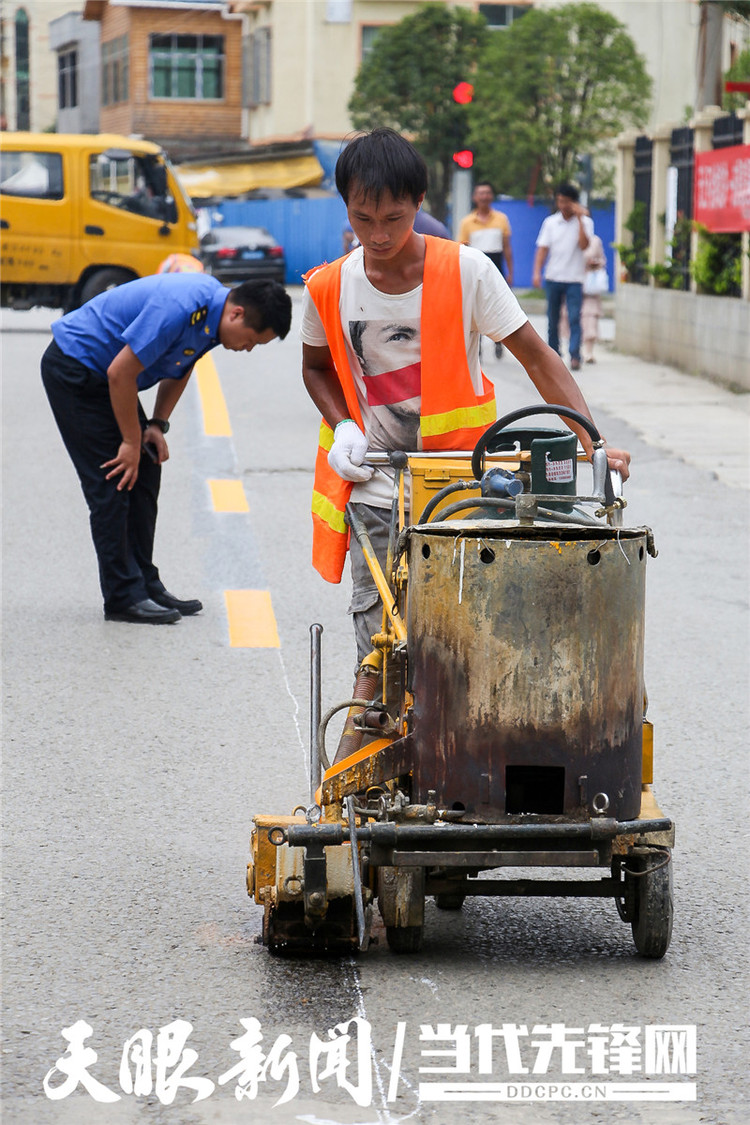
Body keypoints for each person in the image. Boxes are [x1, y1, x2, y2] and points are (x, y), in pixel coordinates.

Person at [300, 128, 630, 676]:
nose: (379, 235)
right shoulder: (328, 287)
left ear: (420, 204)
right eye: (363, 218)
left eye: (394, 218)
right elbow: (315, 369)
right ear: (346, 207)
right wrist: (343, 428)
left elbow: (537, 357)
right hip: (374, 486)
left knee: (462, 645)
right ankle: (381, 738)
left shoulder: (467, 271)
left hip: (462, 488)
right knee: (379, 644)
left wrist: (590, 443)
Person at [42, 274, 292, 623]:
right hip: (77, 368)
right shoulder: (181, 307)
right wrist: (130, 441)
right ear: (236, 314)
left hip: (107, 376)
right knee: (114, 478)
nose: (247, 349)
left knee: (146, 463)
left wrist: (157, 425)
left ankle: (144, 582)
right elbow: (120, 373)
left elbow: (183, 365)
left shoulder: (213, 318)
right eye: (251, 341)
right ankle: (122, 596)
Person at [532, 182, 593, 372]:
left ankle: (575, 355)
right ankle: (553, 354)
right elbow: (542, 249)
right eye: (560, 201)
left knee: (575, 317)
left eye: (566, 201)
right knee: (553, 318)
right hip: (554, 276)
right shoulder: (550, 222)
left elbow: (584, 245)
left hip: (575, 278)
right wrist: (536, 272)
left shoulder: (586, 223)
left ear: (574, 203)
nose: (563, 205)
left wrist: (581, 219)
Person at [459, 181, 513, 359]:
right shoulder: (467, 222)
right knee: (476, 308)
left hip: (496, 267)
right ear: (475, 197)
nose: (484, 196)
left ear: (491, 196)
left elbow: (506, 247)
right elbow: (463, 248)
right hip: (475, 270)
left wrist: (510, 271)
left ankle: (499, 343)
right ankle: (478, 347)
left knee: (499, 308)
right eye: (480, 193)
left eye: (487, 193)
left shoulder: (501, 219)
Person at [581, 232, 608, 364]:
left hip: (591, 288)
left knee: (591, 319)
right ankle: (575, 350)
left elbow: (602, 259)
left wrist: (595, 263)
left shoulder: (595, 241)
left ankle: (588, 352)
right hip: (574, 285)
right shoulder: (571, 237)